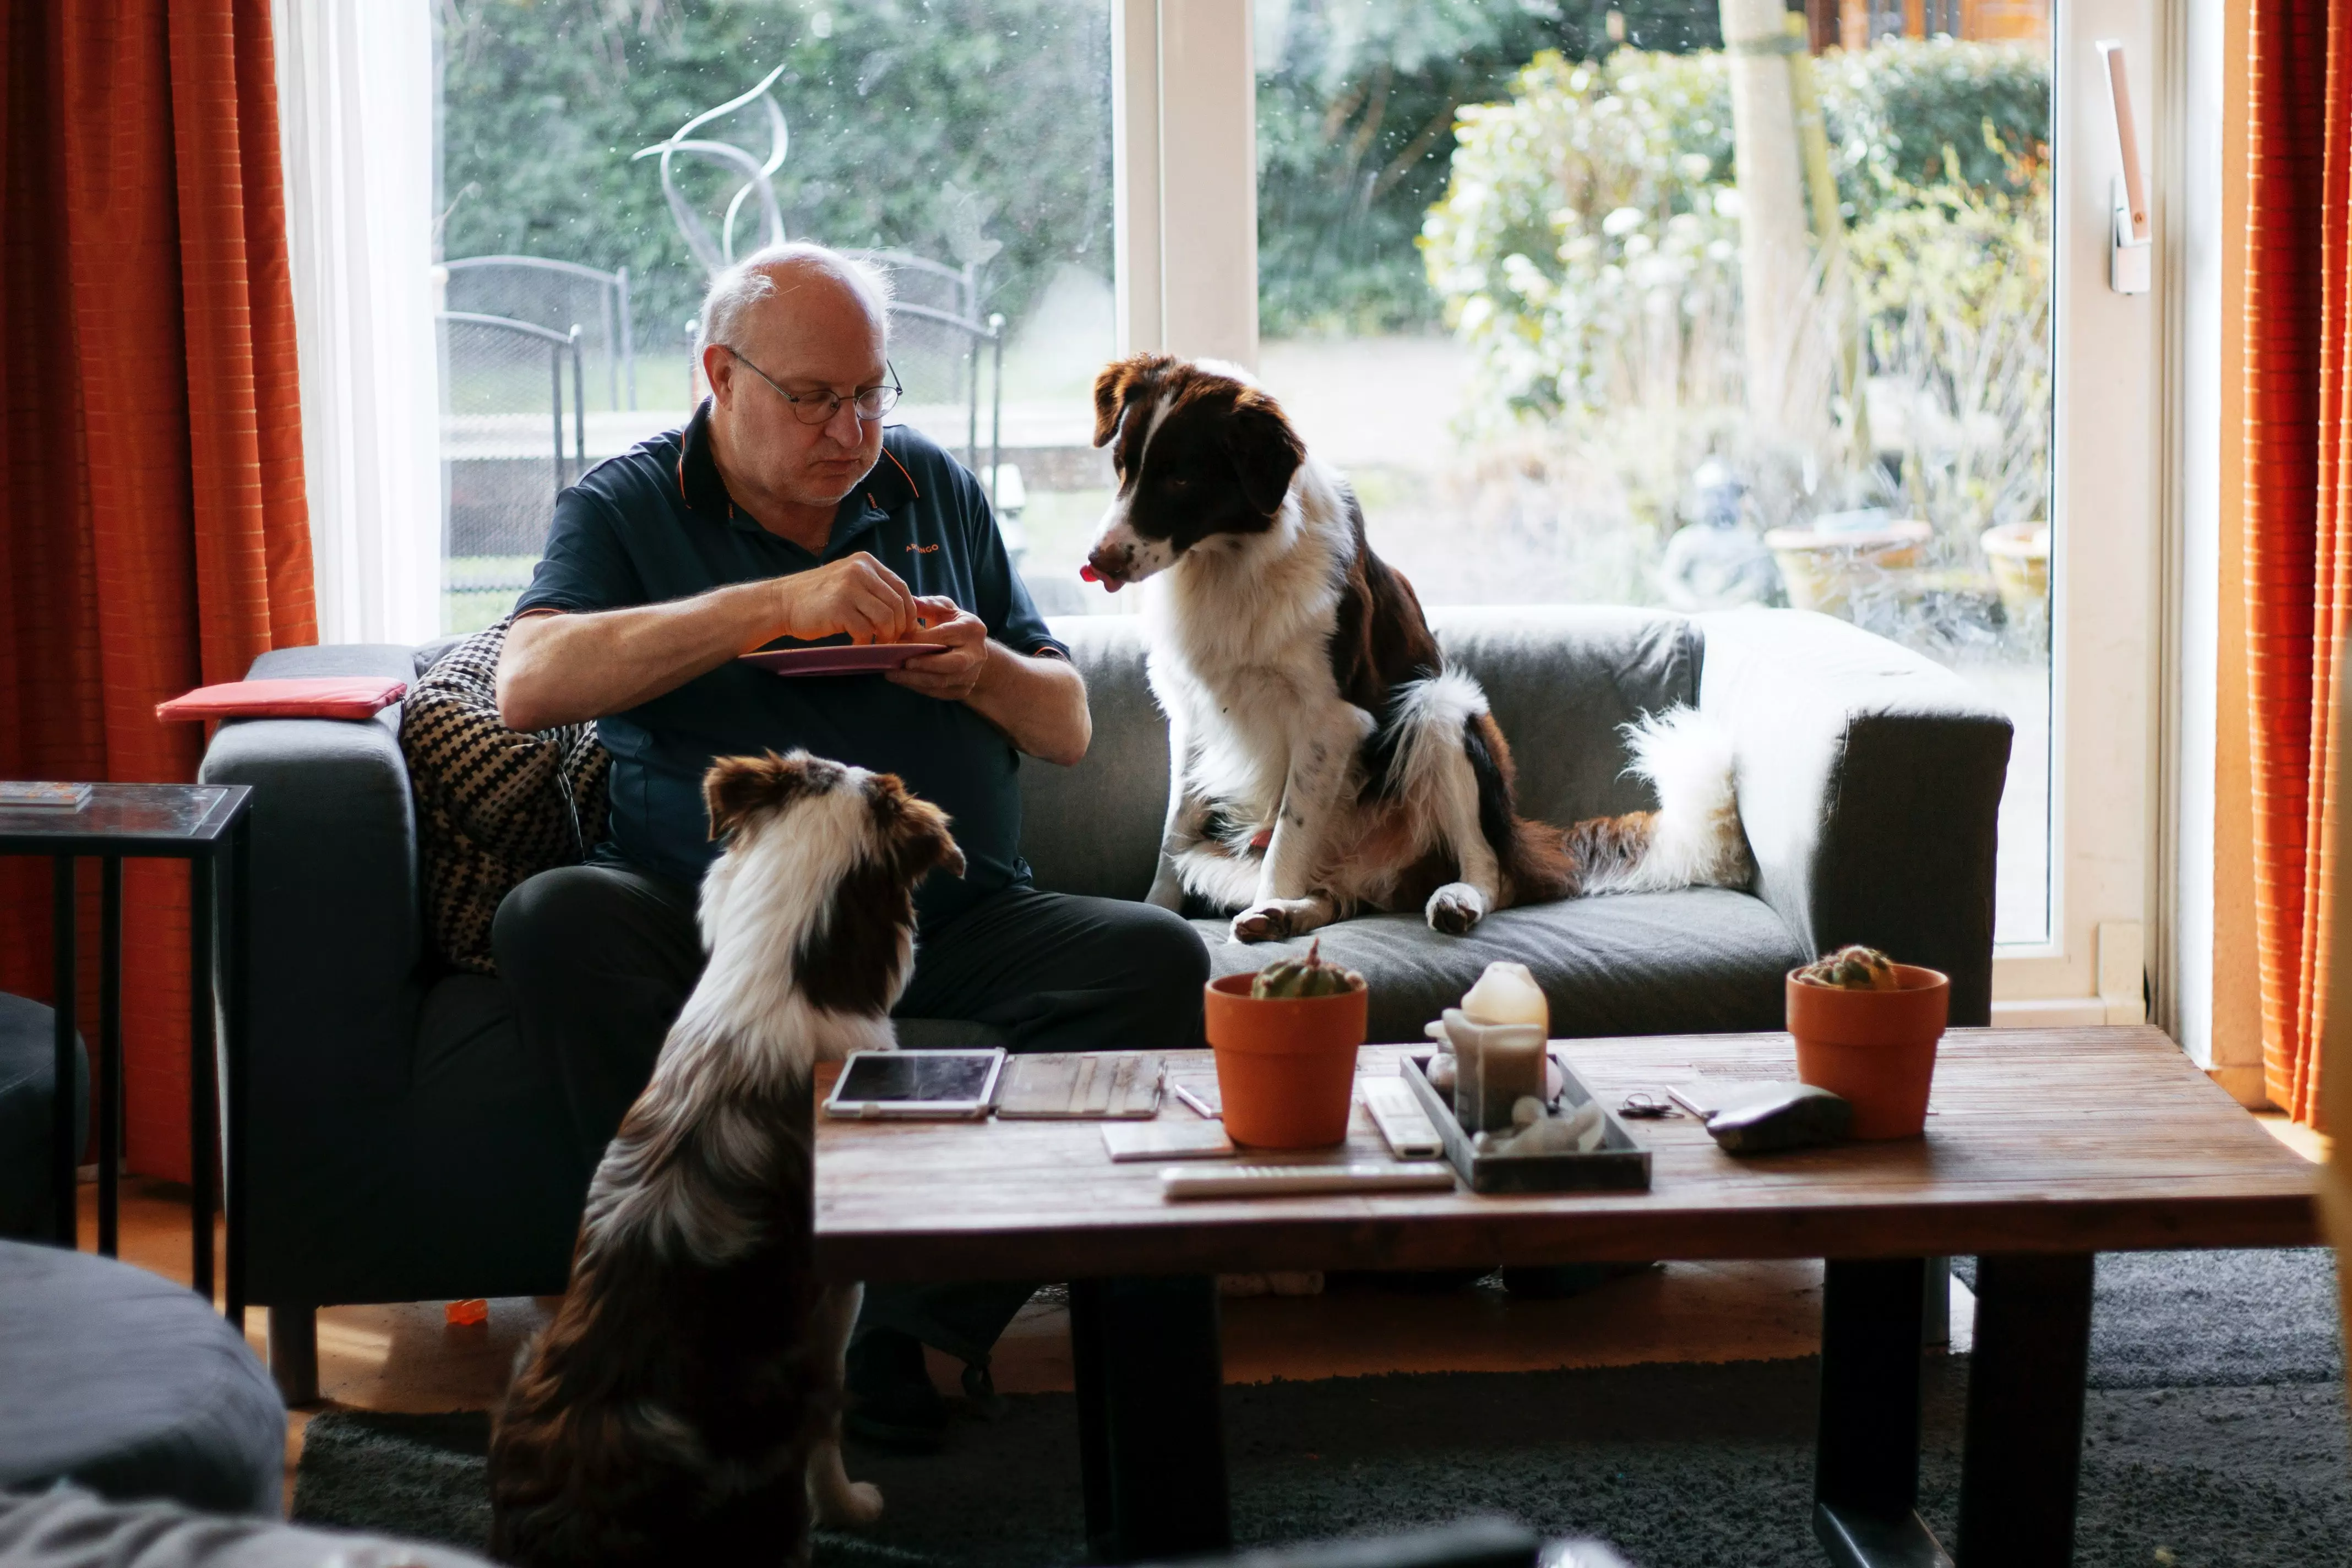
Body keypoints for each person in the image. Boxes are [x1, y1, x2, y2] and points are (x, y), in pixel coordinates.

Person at [491, 241, 1209, 1447]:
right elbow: (529, 681)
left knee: (1154, 963)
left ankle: (905, 1333)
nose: (852, 426)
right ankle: (689, 1313)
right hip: (716, 928)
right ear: (721, 375)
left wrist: (978, 667)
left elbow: (1069, 721)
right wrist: (775, 605)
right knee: (553, 919)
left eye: (872, 391)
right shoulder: (625, 504)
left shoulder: (933, 486)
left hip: (947, 915)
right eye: (817, 397)